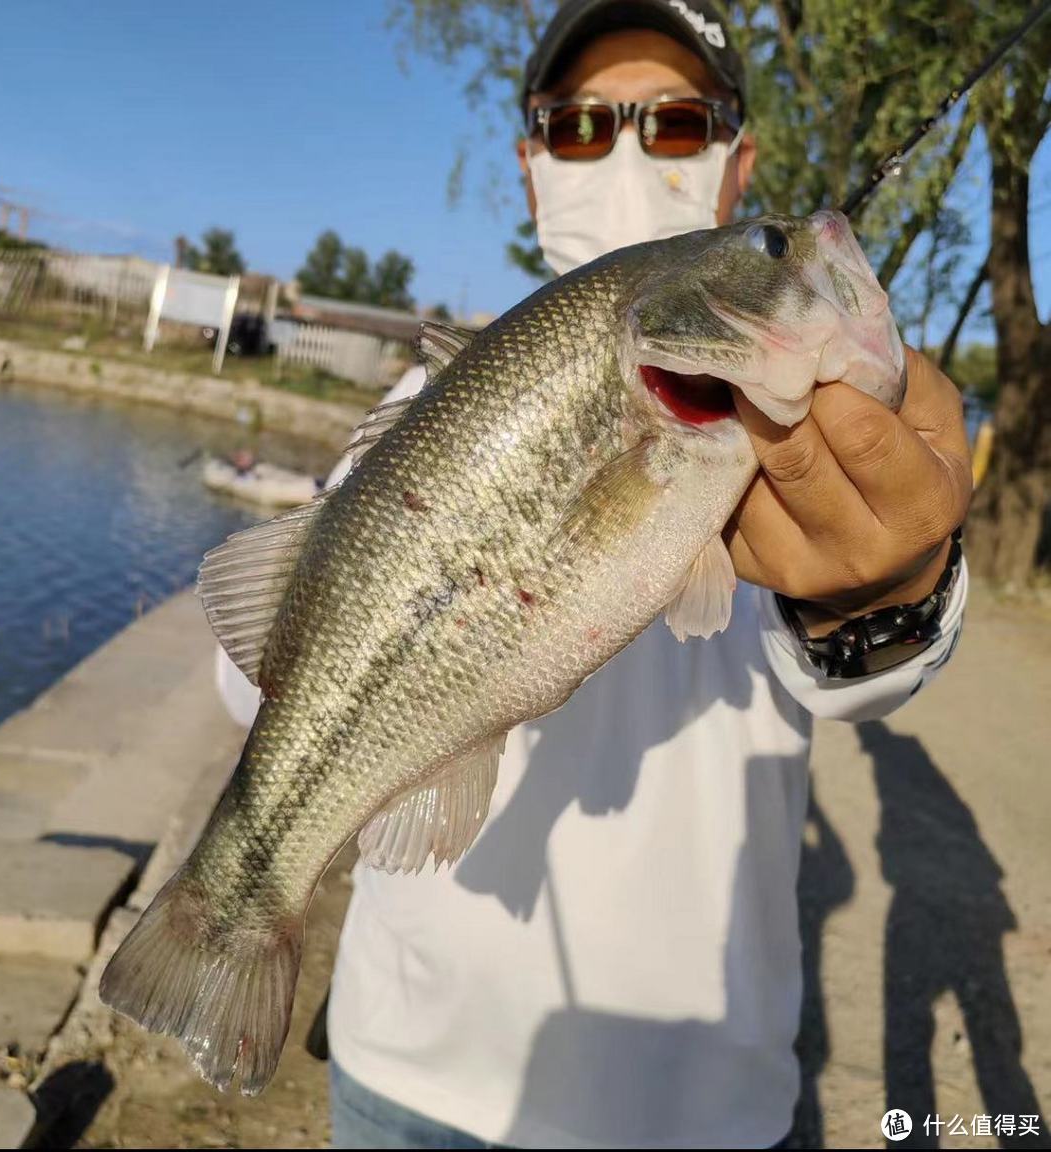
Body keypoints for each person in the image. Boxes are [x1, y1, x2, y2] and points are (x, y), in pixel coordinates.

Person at [217, 2, 973, 1146]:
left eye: (675, 122)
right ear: (533, 168)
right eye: (578, 127)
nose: (624, 151)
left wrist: (883, 597)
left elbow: (855, 668)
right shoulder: (433, 403)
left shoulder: (784, 420)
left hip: (696, 1108)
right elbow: (253, 688)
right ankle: (227, 904)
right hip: (403, 1067)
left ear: (736, 160)